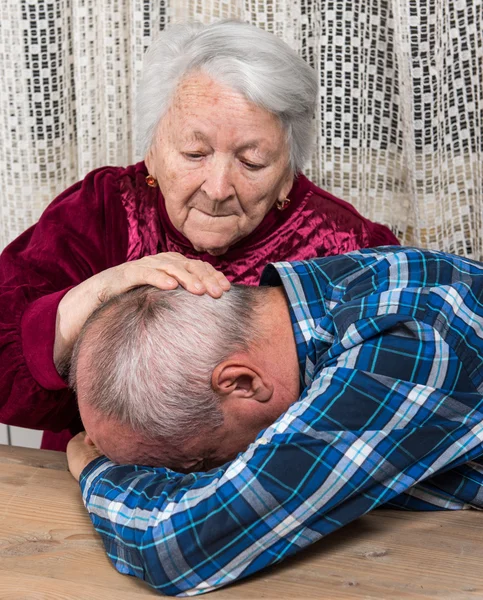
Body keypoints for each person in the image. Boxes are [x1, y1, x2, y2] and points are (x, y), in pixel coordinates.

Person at [0, 20, 398, 453]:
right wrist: (96, 293)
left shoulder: (350, 247)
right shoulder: (102, 209)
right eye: (195, 153)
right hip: (93, 475)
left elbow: (381, 417)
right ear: (152, 153)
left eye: (253, 161)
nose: (218, 187)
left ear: (288, 174)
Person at [67, 246, 483, 596]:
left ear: (242, 383)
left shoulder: (400, 348)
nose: (192, 476)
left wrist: (93, 468)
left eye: (194, 463)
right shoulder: (324, 296)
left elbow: (178, 544)